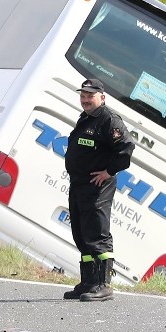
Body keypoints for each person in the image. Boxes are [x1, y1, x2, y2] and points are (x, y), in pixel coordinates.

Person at [63, 78, 134, 301]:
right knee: (82, 232)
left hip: (97, 186)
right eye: (83, 95)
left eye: (90, 96)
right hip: (79, 184)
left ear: (102, 97)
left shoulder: (108, 119)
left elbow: (126, 149)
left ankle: (103, 285)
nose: (85, 99)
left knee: (97, 232)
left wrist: (108, 171)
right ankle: (88, 282)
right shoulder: (86, 117)